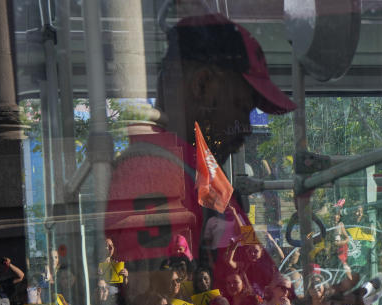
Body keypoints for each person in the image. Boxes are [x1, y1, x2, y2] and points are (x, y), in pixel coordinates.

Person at [105, 13, 295, 265]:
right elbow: (164, 297)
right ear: (202, 85)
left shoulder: (202, 176)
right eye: (240, 106)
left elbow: (256, 276)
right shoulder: (159, 177)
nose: (248, 128)